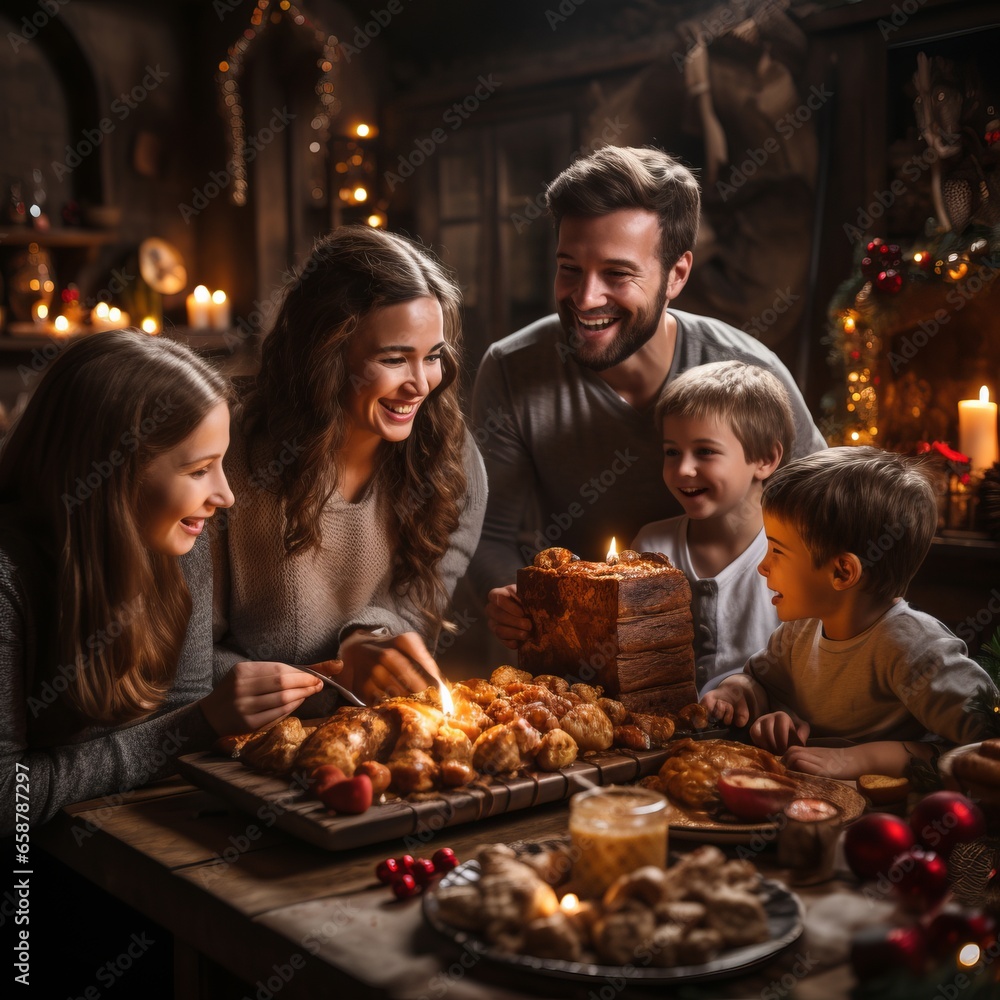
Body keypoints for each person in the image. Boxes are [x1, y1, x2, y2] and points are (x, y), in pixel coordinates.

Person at [475, 144, 826, 647]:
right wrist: (509, 598)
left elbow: (829, 523)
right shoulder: (511, 369)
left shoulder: (751, 372)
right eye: (569, 267)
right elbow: (490, 535)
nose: (585, 297)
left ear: (677, 274)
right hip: (582, 655)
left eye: (617, 274)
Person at [0, 330, 324, 836]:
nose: (227, 495)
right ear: (110, 474)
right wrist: (199, 723)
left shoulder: (177, 541)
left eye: (222, 463)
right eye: (199, 470)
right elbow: (8, 801)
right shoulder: (8, 583)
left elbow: (180, 710)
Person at [212, 226, 488, 705]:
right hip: (235, 742)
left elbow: (416, 610)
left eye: (434, 356)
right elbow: (185, 664)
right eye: (394, 359)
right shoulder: (224, 455)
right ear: (325, 354)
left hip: (370, 732)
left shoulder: (451, 458)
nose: (421, 384)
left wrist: (369, 638)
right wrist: (234, 690)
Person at [701, 447, 999, 779]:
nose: (762, 566)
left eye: (778, 551)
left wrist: (864, 759)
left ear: (842, 572)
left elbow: (986, 745)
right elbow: (759, 681)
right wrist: (740, 692)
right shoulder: (799, 632)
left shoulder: (914, 649)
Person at [631, 361, 793, 694]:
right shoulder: (650, 545)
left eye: (705, 451)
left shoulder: (798, 555)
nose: (683, 469)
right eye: (672, 452)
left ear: (764, 459)